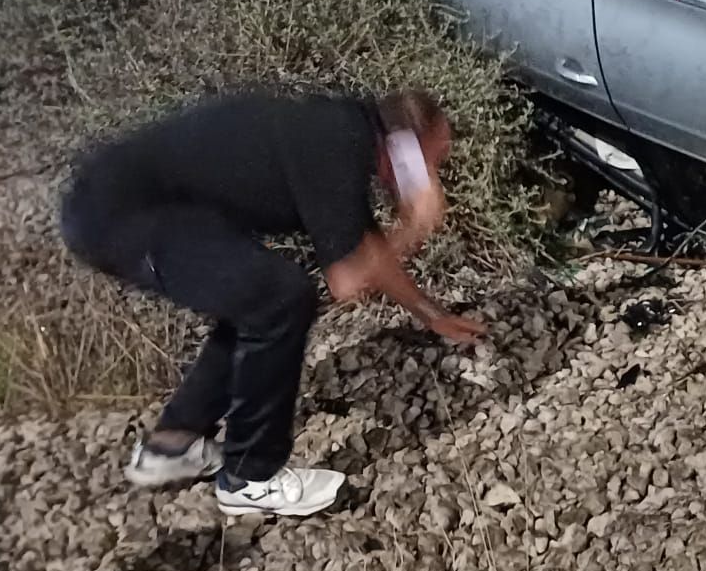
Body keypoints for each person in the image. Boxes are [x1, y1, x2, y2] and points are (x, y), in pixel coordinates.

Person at [58, 87, 484, 518]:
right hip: (121, 213)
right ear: (406, 148)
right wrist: (415, 226)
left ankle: (173, 446)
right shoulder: (337, 141)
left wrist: (432, 315)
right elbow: (349, 279)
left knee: (256, 299)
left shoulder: (340, 131)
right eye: (433, 161)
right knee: (284, 297)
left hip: (111, 207)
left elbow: (367, 248)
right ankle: (250, 478)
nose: (432, 174)